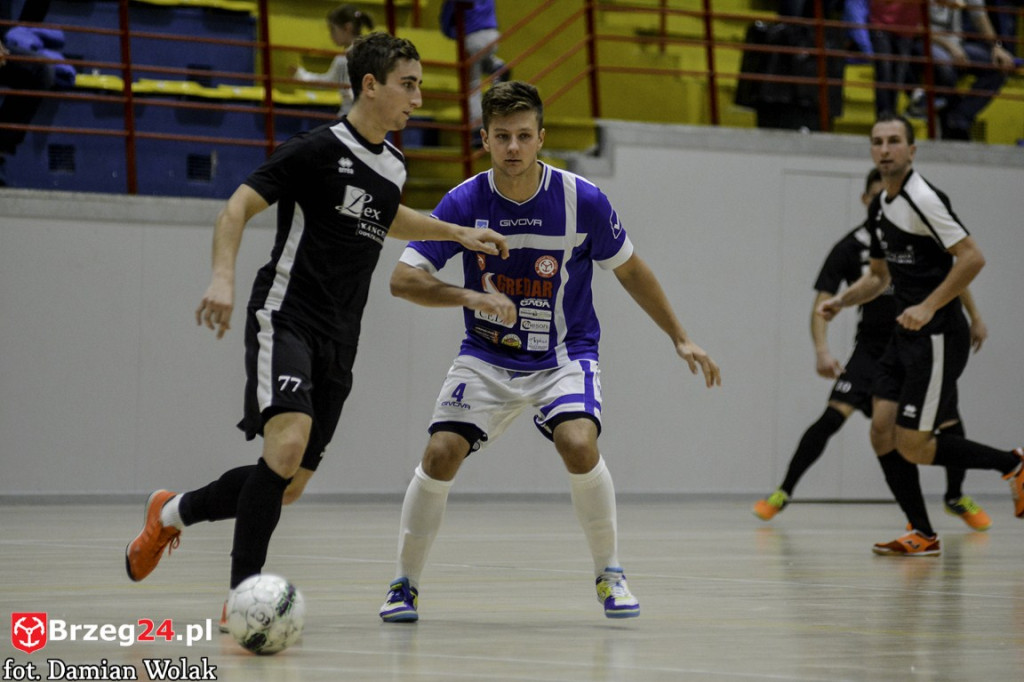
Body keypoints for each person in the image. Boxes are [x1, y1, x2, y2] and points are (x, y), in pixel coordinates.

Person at [123, 33, 509, 612]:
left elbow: (386, 215)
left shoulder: (393, 164)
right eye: (408, 85)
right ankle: (243, 600)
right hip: (287, 315)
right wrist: (222, 278)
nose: (418, 99)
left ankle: (171, 512)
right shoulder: (315, 149)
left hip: (341, 337)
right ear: (370, 85)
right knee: (286, 447)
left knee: (288, 484)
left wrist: (456, 232)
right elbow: (237, 207)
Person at [376, 80, 721, 623]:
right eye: (502, 136)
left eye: (523, 135)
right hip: (485, 356)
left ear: (541, 137)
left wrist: (679, 335)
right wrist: (472, 298)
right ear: (484, 139)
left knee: (578, 443)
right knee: (440, 453)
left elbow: (630, 270)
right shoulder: (463, 202)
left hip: (564, 355)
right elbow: (402, 281)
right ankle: (404, 584)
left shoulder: (582, 199)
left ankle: (610, 573)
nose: (513, 147)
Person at [818, 113, 1024, 556]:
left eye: (894, 141)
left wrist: (929, 305)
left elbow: (972, 257)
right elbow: (878, 276)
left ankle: (1014, 464)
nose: (885, 149)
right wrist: (842, 301)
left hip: (938, 336)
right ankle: (923, 533)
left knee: (913, 445)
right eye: (877, 141)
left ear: (911, 150)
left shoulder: (924, 198)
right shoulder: (880, 205)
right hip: (904, 336)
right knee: (881, 432)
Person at [753, 168, 991, 531]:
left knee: (945, 423)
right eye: (879, 197)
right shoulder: (850, 247)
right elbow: (827, 299)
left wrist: (975, 316)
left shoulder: (917, 228)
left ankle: (955, 496)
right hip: (872, 348)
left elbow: (954, 272)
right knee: (835, 418)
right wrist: (822, 349)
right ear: (867, 201)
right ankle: (783, 492)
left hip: (919, 342)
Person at [911, 0, 1016, 140]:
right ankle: (946, 123)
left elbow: (979, 16)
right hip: (927, 42)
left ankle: (959, 119)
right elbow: (915, 27)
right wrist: (950, 47)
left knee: (996, 67)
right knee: (945, 68)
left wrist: (996, 46)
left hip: (958, 45)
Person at [292, 4, 374, 117]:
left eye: (333, 29)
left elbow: (328, 82)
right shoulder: (371, 51)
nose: (331, 35)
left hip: (351, 115)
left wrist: (300, 75)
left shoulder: (343, 59)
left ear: (347, 28)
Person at [439, 0, 508, 126]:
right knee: (480, 60)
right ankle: (495, 66)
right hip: (492, 34)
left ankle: (477, 124)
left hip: (472, 38)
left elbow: (447, 17)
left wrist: (449, 32)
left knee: (472, 84)